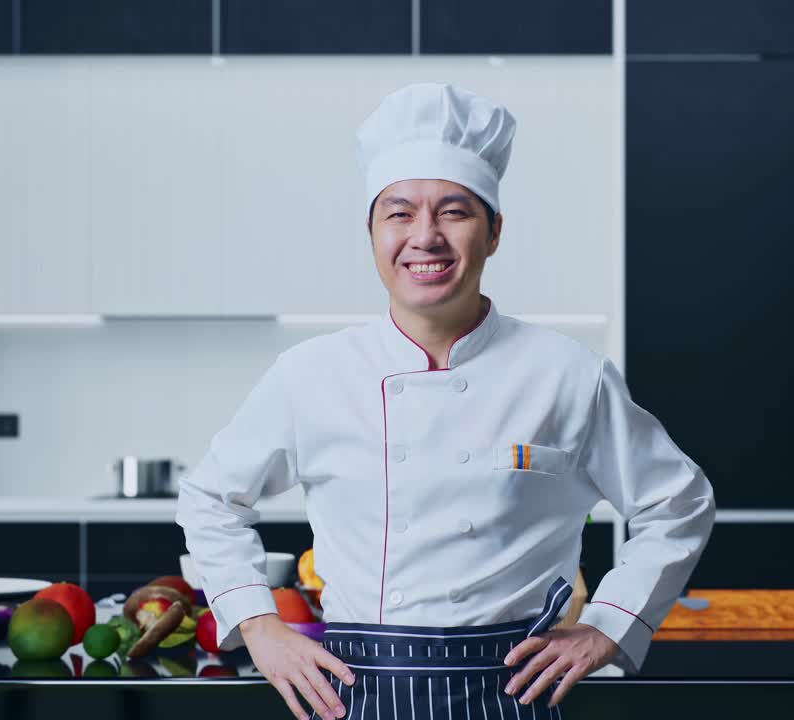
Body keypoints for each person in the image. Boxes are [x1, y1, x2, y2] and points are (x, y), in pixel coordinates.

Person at [177, 82, 715, 720]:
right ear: (372, 233)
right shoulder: (310, 375)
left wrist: (609, 625)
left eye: (454, 211)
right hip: (354, 694)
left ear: (493, 233)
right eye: (399, 213)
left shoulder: (568, 373)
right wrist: (258, 625)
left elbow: (677, 502)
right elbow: (211, 498)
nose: (424, 236)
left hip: (511, 692)